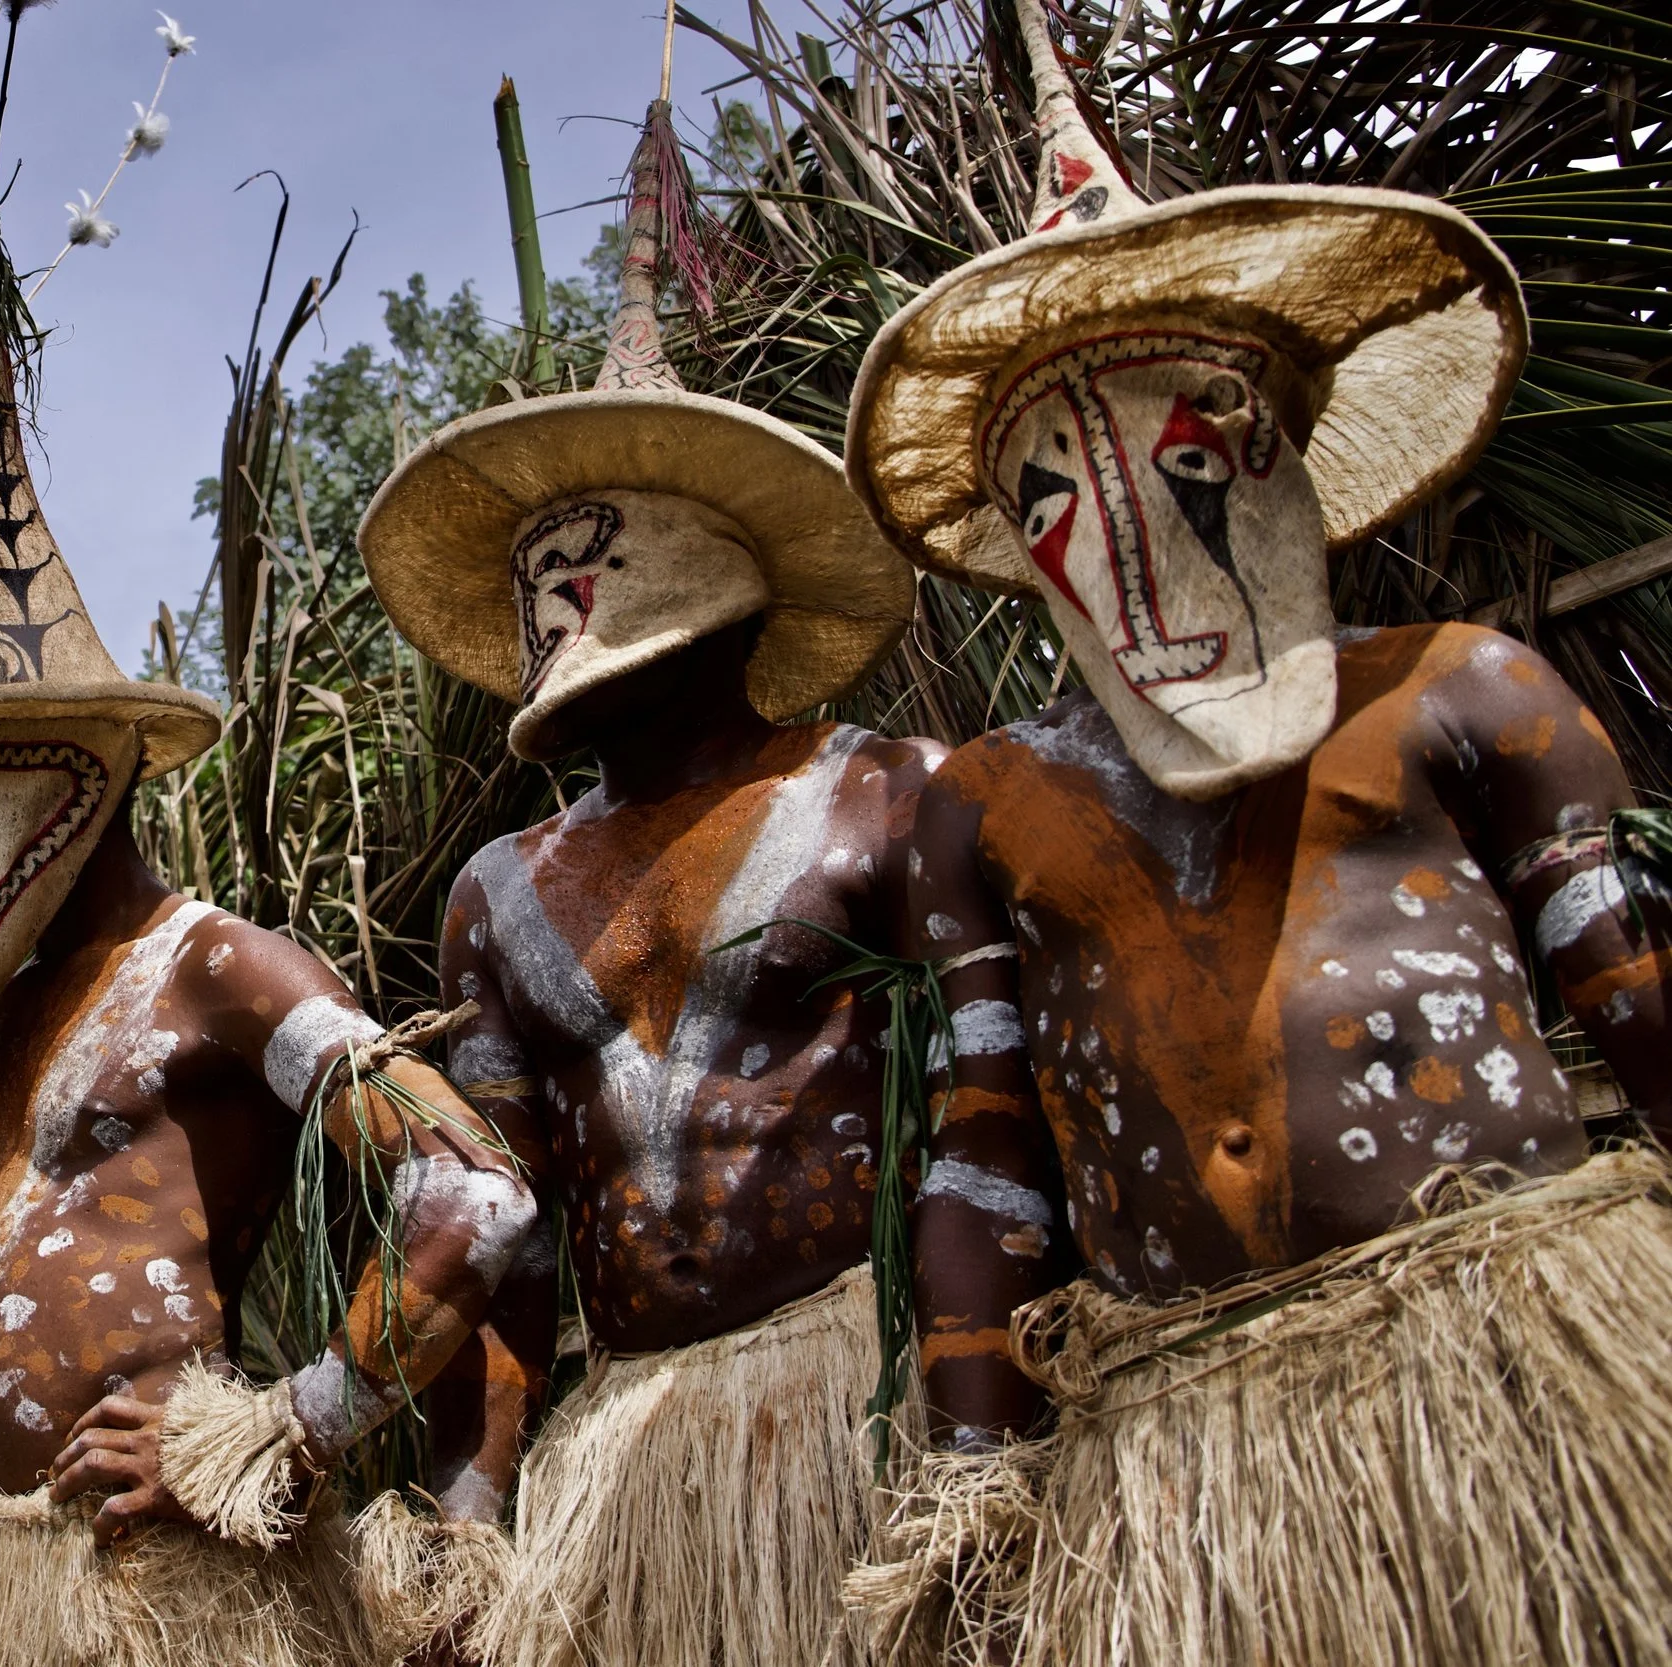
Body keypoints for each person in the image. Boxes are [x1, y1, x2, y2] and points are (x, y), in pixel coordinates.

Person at [846, 3, 1672, 1661]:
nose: (1138, 544)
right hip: (1193, 1449)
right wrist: (975, 1476)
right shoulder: (985, 801)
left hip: (1515, 1364)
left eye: (1185, 447)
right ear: (1017, 537)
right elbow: (986, 1141)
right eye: (1059, 493)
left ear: (1273, 448)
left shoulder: (1461, 692)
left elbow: (1640, 995)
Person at [0, 200, 538, 1667]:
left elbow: (475, 1195)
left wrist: (275, 1428)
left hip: (147, 1587)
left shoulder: (216, 968)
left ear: (77, 780)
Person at [355, 97, 930, 1667]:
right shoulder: (500, 888)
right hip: (631, 1456)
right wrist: (468, 1516)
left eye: (602, 586)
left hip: (864, 1405)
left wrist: (992, 1436)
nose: (568, 632)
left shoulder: (883, 795)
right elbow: (509, 1223)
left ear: (724, 607)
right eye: (550, 589)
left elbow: (1002, 1118)